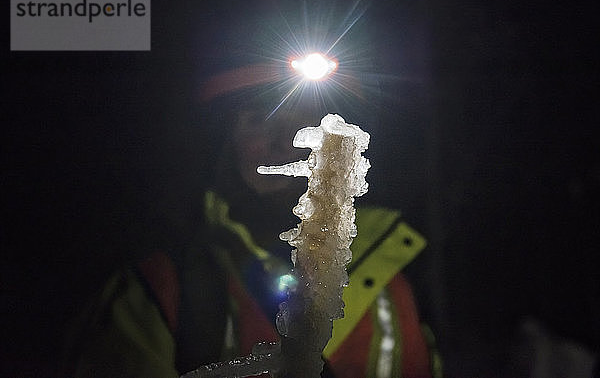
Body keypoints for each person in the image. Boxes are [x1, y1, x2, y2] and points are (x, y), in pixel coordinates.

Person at [62, 64, 441, 378]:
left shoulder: (406, 268)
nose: (285, 139)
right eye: (258, 119)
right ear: (225, 145)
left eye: (309, 121)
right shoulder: (162, 285)